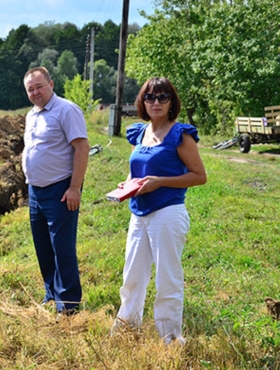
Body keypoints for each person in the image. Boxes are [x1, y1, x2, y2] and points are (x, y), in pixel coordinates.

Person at [112, 77, 207, 344]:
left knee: (167, 277)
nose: (156, 102)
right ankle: (128, 328)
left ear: (171, 102)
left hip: (167, 212)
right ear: (142, 101)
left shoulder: (180, 135)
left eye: (162, 97)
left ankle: (170, 338)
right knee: (132, 275)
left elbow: (199, 176)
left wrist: (161, 182)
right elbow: (136, 170)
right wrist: (127, 184)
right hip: (138, 213)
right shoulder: (138, 133)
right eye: (150, 97)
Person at [21, 67, 90, 315]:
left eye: (39, 86)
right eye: (30, 89)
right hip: (36, 192)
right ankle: (52, 294)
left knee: (62, 247)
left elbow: (82, 148)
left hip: (60, 189)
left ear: (51, 83)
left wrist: (74, 188)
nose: (35, 92)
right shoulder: (32, 115)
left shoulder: (66, 110)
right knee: (43, 246)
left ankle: (68, 304)